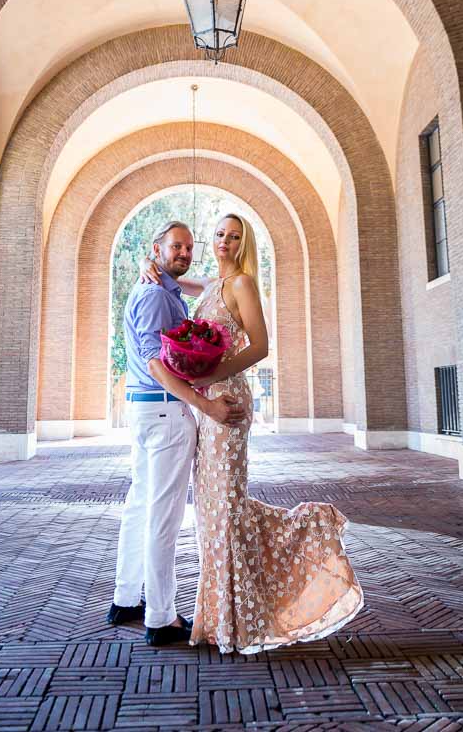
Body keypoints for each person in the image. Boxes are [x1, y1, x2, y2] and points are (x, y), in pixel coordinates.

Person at [141, 213, 364, 654]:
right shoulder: (209, 286)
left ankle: (240, 617)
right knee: (211, 514)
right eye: (220, 234)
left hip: (228, 405)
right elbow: (173, 279)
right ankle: (220, 617)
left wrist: (212, 375)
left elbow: (260, 346)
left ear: (245, 244)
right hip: (205, 406)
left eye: (235, 236)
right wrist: (150, 269)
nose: (225, 241)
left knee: (225, 508)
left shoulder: (242, 284)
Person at [106, 220, 246, 647]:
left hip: (147, 412)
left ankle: (126, 597)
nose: (183, 252)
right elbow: (154, 360)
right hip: (165, 413)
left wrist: (154, 267)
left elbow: (200, 285)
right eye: (175, 246)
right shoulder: (153, 295)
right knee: (162, 517)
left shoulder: (164, 288)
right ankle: (160, 617)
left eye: (188, 247)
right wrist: (203, 404)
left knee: (140, 505)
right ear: (157, 247)